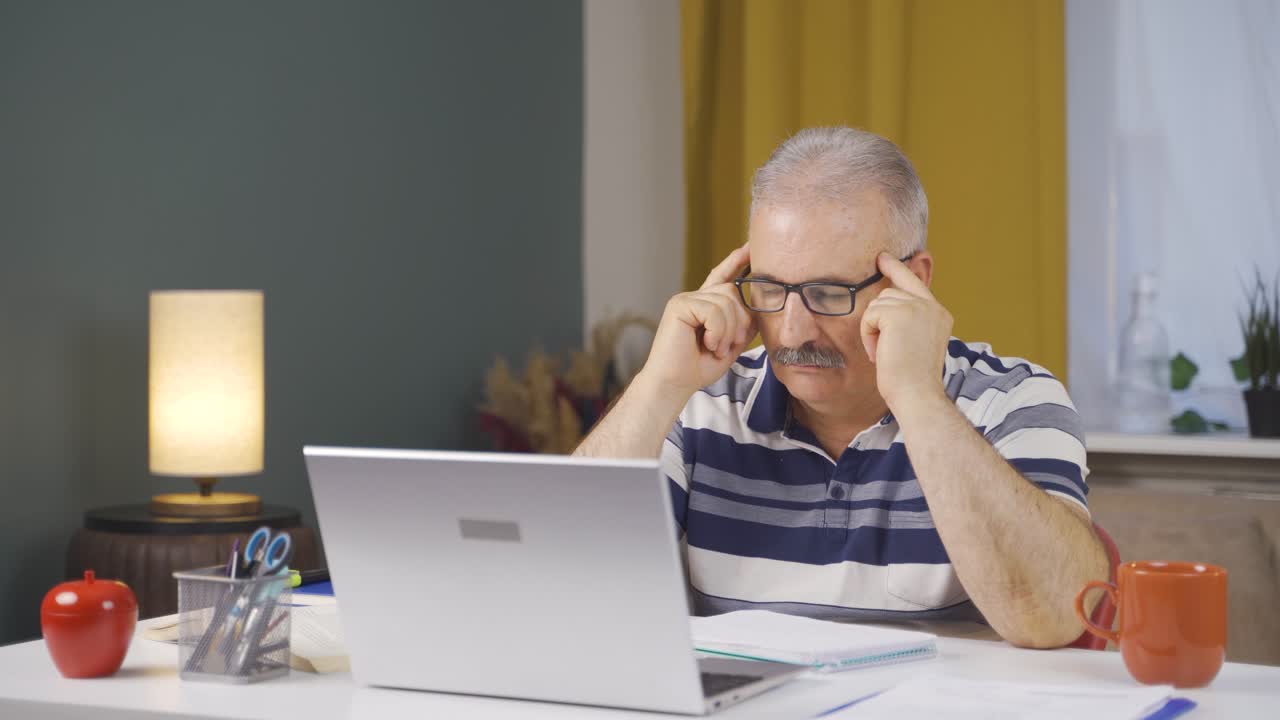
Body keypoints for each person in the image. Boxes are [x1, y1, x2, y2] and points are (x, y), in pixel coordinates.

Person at [574, 126, 1107, 648]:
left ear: (913, 282)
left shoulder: (1014, 399)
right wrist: (658, 384)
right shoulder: (698, 404)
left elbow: (1056, 617)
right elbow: (567, 583)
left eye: (828, 294)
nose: (794, 330)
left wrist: (918, 399)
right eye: (770, 289)